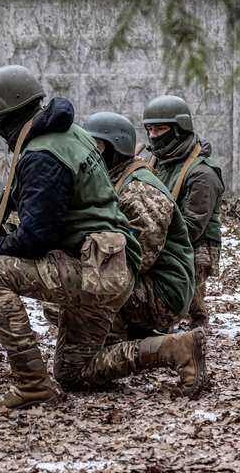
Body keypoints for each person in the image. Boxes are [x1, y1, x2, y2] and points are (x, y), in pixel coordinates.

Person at [0, 66, 206, 413]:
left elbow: (35, 236)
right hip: (104, 269)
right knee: (74, 371)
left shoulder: (43, 153)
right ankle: (175, 348)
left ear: (3, 116)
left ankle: (31, 385)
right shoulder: (70, 136)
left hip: (99, 272)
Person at [82, 111, 196, 338]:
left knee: (76, 287)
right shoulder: (115, 177)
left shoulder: (140, 191)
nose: (90, 153)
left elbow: (138, 258)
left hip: (163, 294)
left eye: (97, 146)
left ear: (116, 148)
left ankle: (124, 340)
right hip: (147, 283)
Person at [143, 95, 224, 329]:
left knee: (187, 294)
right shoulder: (160, 160)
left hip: (197, 245)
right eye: (150, 129)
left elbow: (193, 226)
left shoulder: (202, 174)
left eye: (160, 129)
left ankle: (197, 326)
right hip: (165, 233)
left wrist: (156, 241)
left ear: (179, 129)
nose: (153, 135)